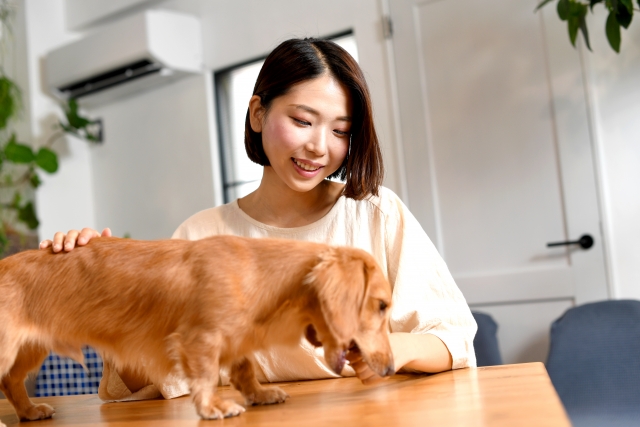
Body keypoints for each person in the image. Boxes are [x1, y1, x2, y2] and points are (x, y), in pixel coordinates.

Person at [40, 38, 477, 401]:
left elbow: (453, 340)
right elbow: (139, 385)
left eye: (341, 131)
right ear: (257, 113)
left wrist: (388, 348)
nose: (319, 147)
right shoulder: (202, 235)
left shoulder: (376, 213)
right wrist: (104, 281)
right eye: (303, 121)